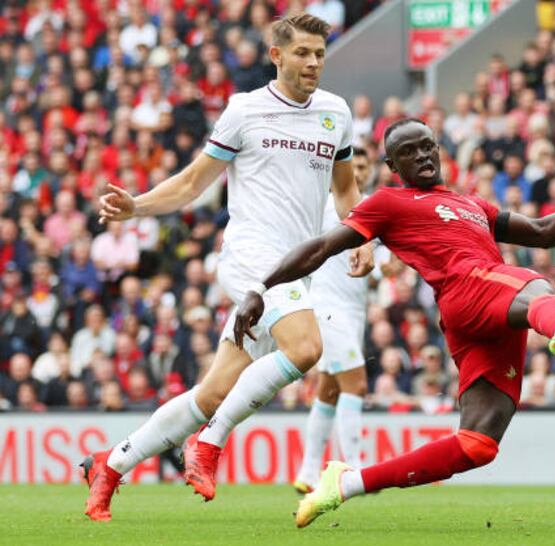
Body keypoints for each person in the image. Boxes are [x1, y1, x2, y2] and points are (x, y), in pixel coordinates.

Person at [229, 118, 555, 527]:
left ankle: (346, 483)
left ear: (438, 150)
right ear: (392, 166)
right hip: (467, 291)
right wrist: (261, 287)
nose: (421, 155)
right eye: (408, 151)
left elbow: (545, 232)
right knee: (536, 284)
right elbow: (323, 247)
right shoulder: (388, 203)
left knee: (478, 444)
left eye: (427, 146)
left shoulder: (473, 205)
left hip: (490, 314)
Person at [81, 14, 372, 522]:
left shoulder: (336, 112)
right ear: (276, 55)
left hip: (295, 268)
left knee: (214, 392)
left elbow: (345, 189)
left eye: (320, 54)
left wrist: (362, 235)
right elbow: (194, 183)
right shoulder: (245, 110)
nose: (313, 63)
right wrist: (138, 206)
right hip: (252, 259)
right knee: (306, 348)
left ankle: (111, 463)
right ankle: (209, 444)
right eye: (303, 53)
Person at [293, 147, 373, 493]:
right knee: (356, 384)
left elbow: (376, 258)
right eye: (352, 166)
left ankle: (309, 471)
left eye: (363, 166)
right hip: (327, 305)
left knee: (328, 391)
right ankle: (351, 468)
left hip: (355, 308)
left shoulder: (372, 207)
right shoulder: (325, 206)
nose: (357, 172)